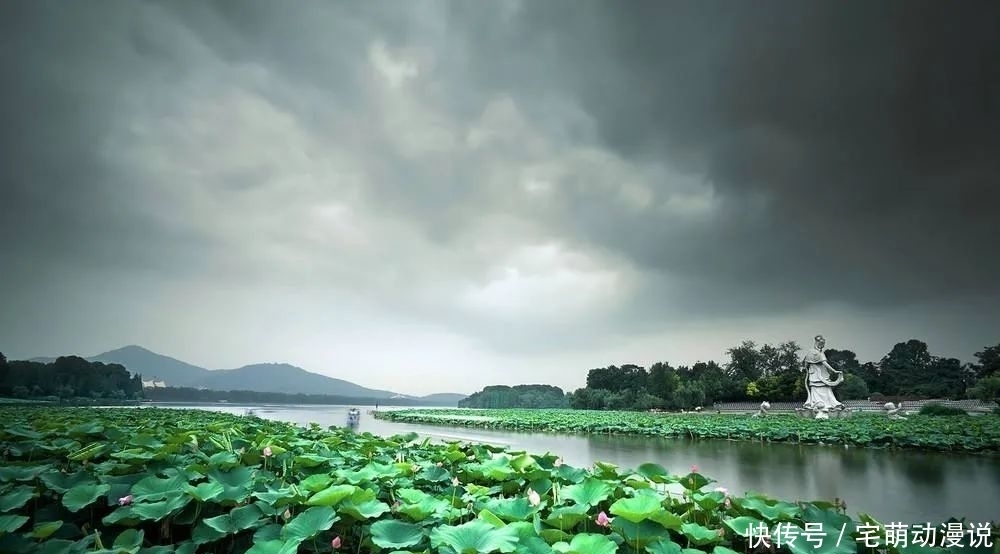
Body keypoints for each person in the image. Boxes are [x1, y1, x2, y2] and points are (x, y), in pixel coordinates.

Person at [802, 335, 844, 412]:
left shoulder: (811, 352)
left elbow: (806, 364)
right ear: (819, 343)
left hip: (816, 374)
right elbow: (824, 363)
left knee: (825, 389)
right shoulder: (817, 353)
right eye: (822, 344)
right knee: (818, 389)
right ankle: (818, 404)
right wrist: (834, 371)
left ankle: (830, 404)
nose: (823, 346)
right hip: (817, 375)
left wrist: (810, 366)